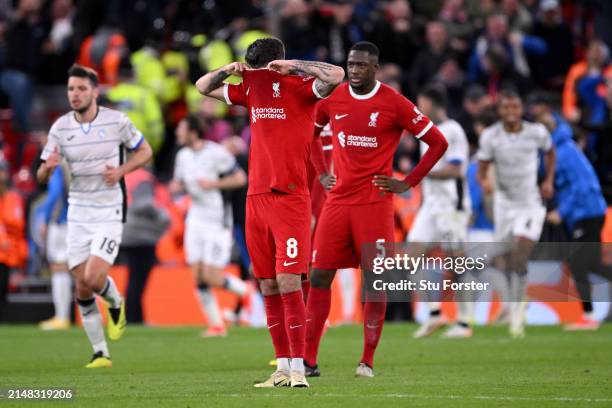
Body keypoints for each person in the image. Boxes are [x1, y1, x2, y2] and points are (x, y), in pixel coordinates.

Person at [195, 37, 344, 388]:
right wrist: (227, 71)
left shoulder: (303, 87)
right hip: (255, 197)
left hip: (290, 197)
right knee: (267, 283)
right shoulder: (251, 88)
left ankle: (298, 370)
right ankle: (282, 368)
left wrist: (295, 65)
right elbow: (202, 87)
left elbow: (336, 75)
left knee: (291, 280)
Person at [305, 42, 448, 378]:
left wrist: (408, 181)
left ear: (375, 68)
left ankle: (366, 360)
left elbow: (438, 142)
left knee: (375, 281)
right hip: (338, 202)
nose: (354, 71)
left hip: (374, 204)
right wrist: (322, 171)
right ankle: (308, 361)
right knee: (319, 276)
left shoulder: (394, 103)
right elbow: (310, 134)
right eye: (351, 65)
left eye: (361, 66)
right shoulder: (334, 98)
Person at [36, 64, 153, 368]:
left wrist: (122, 170)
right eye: (71, 89)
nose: (75, 94)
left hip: (108, 208)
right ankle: (100, 352)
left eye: (81, 89)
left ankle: (116, 303)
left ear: (95, 92)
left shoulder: (117, 121)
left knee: (92, 276)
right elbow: (41, 177)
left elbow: (145, 151)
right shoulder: (60, 128)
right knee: (82, 286)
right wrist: (47, 167)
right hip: (78, 210)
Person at [476, 89, 555, 338]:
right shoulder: (490, 136)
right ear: (500, 111)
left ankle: (517, 309)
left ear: (521, 110)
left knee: (521, 248)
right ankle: (514, 303)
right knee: (502, 260)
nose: (511, 112)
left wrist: (549, 180)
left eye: (515, 107)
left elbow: (551, 152)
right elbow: (482, 166)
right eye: (506, 108)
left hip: (530, 203)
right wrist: (484, 182)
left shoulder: (536, 133)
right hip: (504, 205)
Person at [529, 94, 612, 329]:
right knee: (592, 264)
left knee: (577, 262)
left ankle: (588, 315)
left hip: (586, 211)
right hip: (588, 210)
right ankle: (589, 314)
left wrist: (562, 212)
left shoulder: (564, 152)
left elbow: (581, 186)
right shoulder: (561, 148)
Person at [171, 114, 248, 338]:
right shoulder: (182, 156)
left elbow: (240, 178)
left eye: (181, 128)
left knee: (213, 276)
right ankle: (216, 326)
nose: (177, 133)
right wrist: (177, 187)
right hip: (195, 218)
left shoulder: (216, 152)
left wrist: (213, 183)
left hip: (216, 218)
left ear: (193, 131)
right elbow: (179, 182)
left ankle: (248, 292)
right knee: (198, 277)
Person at [407, 85, 472, 340]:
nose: (419, 108)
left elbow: (456, 170)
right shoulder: (428, 132)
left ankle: (464, 324)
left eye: (421, 101)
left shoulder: (453, 130)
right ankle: (435, 315)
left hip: (451, 206)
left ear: (432, 103)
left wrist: (420, 172)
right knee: (412, 254)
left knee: (456, 262)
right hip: (431, 206)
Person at [121, 167, 170, 324]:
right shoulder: (143, 178)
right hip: (141, 234)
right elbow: (144, 204)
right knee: (138, 280)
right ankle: (134, 319)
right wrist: (163, 217)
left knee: (134, 279)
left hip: (128, 231)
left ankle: (134, 318)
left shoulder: (128, 175)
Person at [38, 160, 71, 330]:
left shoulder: (58, 164)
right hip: (75, 219)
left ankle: (62, 316)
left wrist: (45, 218)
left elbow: (55, 193)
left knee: (59, 267)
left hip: (60, 222)